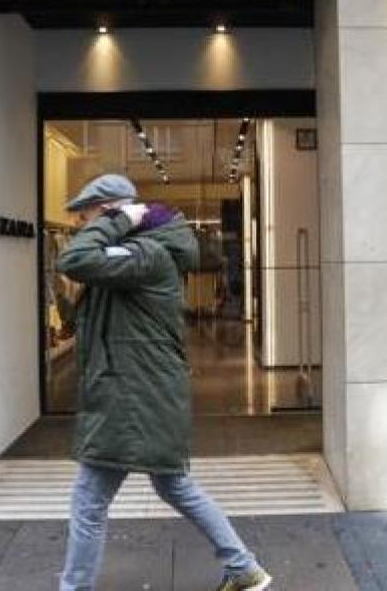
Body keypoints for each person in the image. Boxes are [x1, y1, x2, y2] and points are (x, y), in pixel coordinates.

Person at [56, 173, 272, 591]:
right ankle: (244, 568)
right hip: (136, 392)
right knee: (174, 485)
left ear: (111, 211)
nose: (82, 226)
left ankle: (75, 588)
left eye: (86, 217)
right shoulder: (136, 252)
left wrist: (119, 221)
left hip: (132, 397)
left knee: (90, 501)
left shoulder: (145, 254)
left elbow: (74, 260)